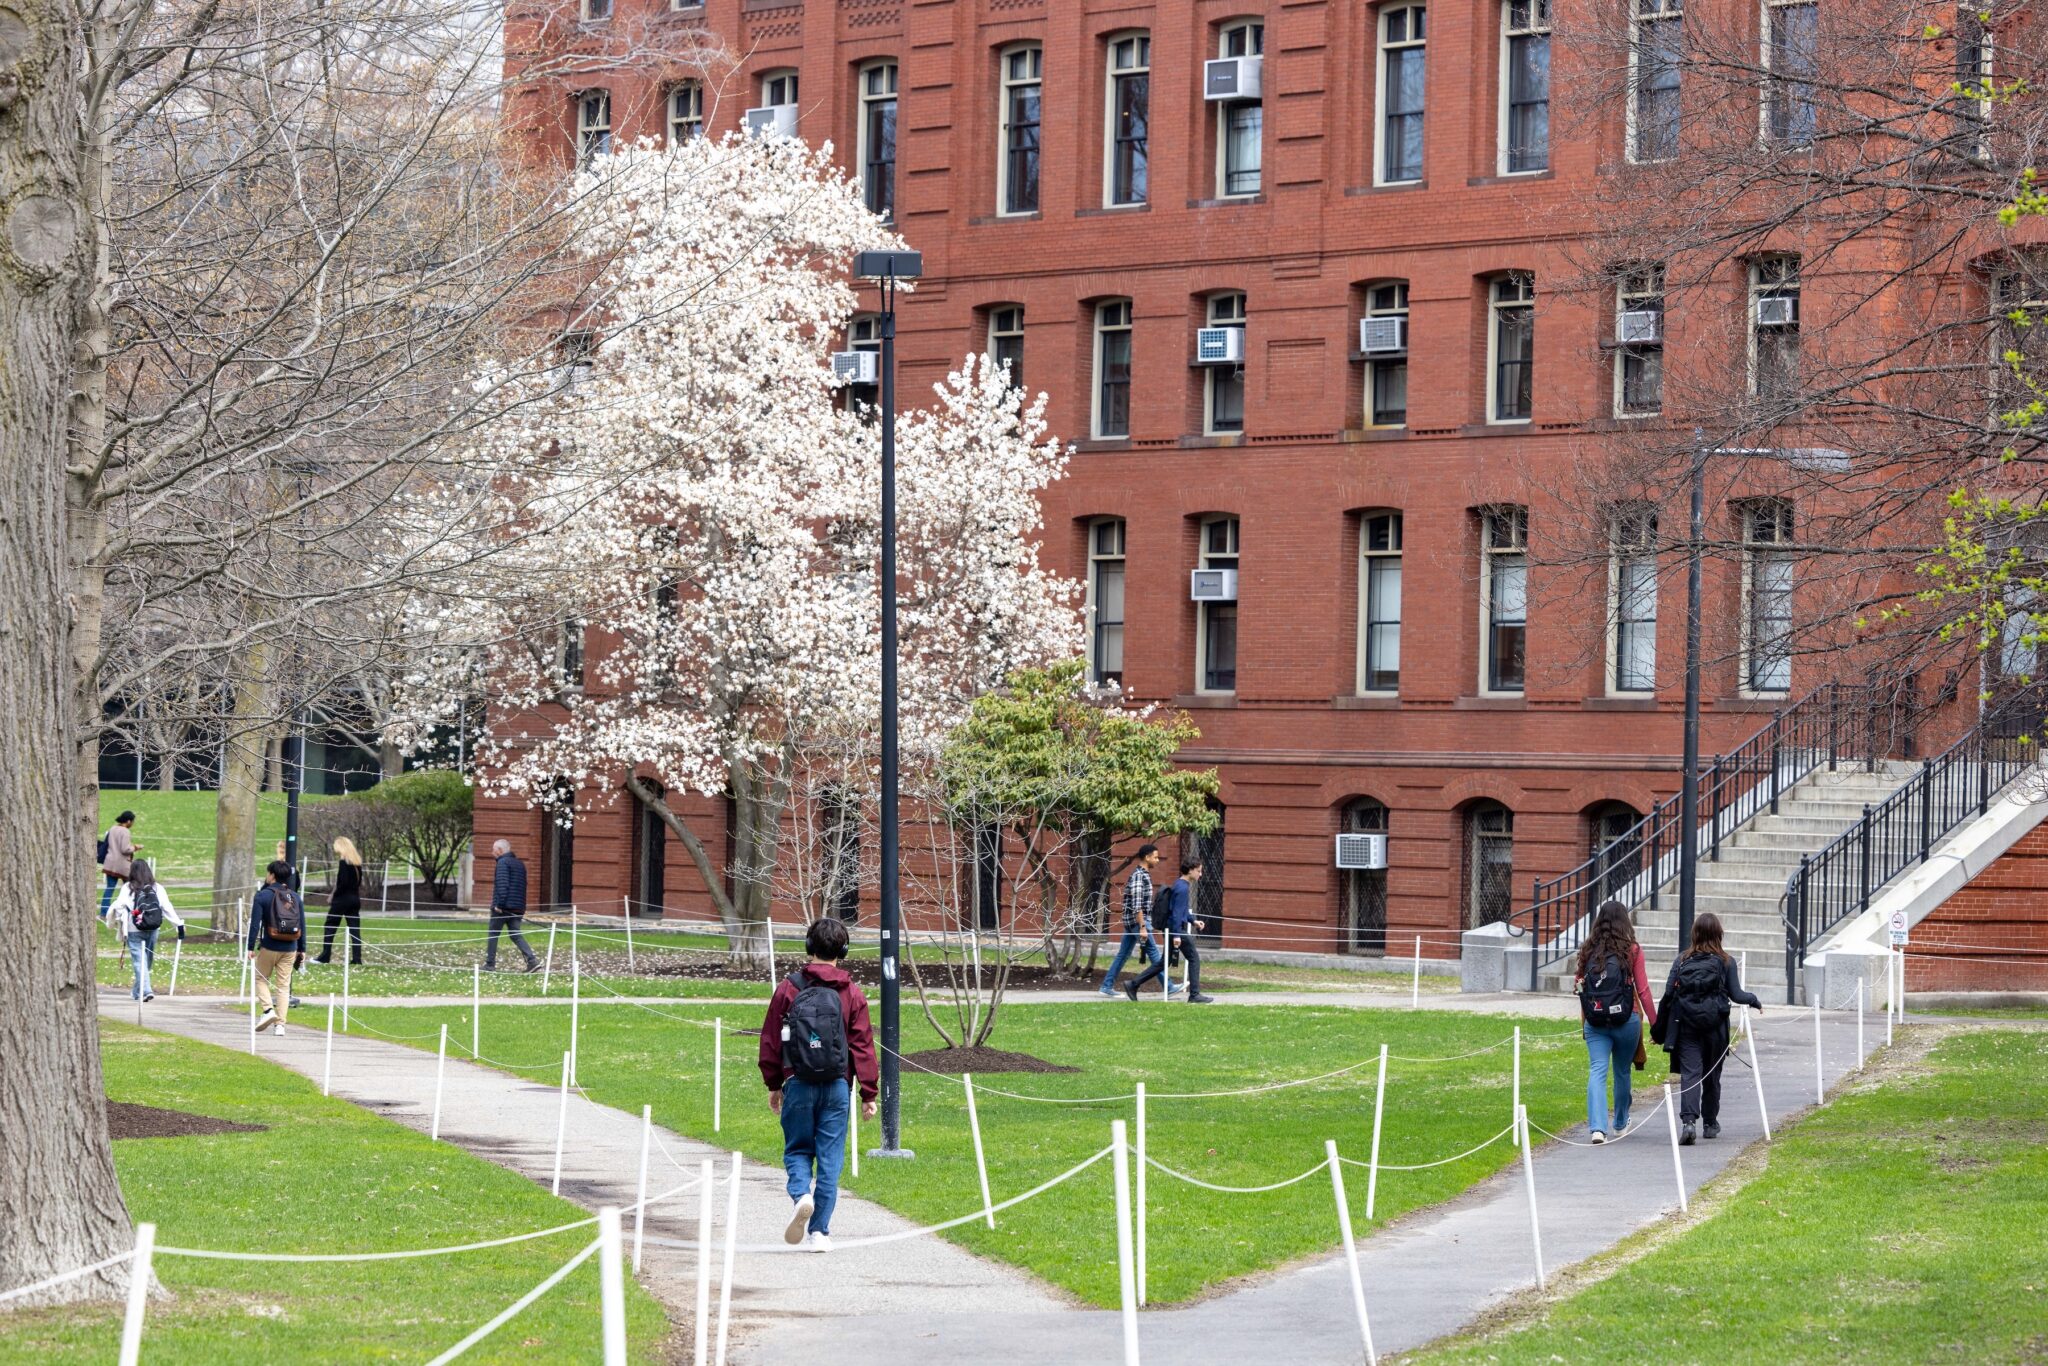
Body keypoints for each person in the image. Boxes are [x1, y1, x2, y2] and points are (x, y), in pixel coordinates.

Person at [758, 917, 878, 1252]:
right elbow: (862, 1046)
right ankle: (819, 1232)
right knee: (830, 1159)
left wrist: (773, 1083)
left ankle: (801, 1194)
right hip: (837, 1086)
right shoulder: (851, 994)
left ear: (809, 948)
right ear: (844, 951)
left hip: (797, 1082)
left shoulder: (788, 988)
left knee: (797, 1149)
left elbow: (770, 1040)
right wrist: (869, 1092)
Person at [1657, 912, 1764, 1145]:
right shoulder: (1726, 961)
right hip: (1715, 1028)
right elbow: (1737, 994)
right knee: (1712, 1076)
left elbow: (1667, 996)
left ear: (1694, 933)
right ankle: (1710, 1122)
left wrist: (1659, 1030)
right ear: (1719, 934)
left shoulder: (1682, 960)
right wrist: (1754, 1000)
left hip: (1687, 1027)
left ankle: (1688, 1122)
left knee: (1691, 1074)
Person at [1573, 899, 1657, 1144]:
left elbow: (1578, 985)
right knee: (1622, 1071)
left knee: (1597, 1071)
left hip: (1595, 1020)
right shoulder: (1632, 950)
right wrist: (1656, 1024)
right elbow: (1643, 991)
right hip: (1626, 1019)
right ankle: (1620, 1123)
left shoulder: (1588, 949)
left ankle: (1598, 1129)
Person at [1126, 858, 1214, 1003]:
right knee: (1193, 958)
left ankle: (1133, 984)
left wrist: (1193, 921)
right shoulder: (1182, 888)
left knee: (1163, 963)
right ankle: (1194, 995)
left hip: (1171, 928)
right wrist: (1177, 935)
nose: (1201, 874)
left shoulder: (1180, 884)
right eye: (1199, 871)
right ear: (1191, 870)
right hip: (1175, 929)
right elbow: (1176, 914)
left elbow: (1181, 910)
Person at [1099, 844, 1177, 997]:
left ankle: (1106, 986)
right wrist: (1142, 927)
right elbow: (1137, 905)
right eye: (1155, 857)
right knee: (1154, 954)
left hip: (1133, 922)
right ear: (1147, 857)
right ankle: (1168, 986)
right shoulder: (1139, 876)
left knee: (1123, 954)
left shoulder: (1143, 874)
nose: (1157, 860)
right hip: (1137, 922)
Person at [105, 860, 184, 1002]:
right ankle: (141, 991)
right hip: (153, 928)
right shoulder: (157, 888)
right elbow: (166, 907)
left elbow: (119, 905)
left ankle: (143, 991)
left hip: (133, 928)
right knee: (146, 961)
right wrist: (178, 924)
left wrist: (117, 920)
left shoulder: (127, 888)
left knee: (140, 961)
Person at [246, 860, 306, 1035]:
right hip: (291, 947)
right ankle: (280, 1025)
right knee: (283, 986)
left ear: (272, 875)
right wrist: (302, 949)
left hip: (270, 945)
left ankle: (268, 1010)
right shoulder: (295, 897)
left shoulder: (262, 896)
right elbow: (302, 924)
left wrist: (250, 946)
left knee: (260, 979)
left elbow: (255, 924)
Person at [485, 839, 539, 972]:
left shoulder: (503, 863)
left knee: (493, 934)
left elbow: (503, 885)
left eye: (494, 850)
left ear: (500, 850)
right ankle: (532, 961)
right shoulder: (520, 864)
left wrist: (499, 904)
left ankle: (490, 964)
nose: (492, 853)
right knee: (515, 934)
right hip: (518, 907)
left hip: (503, 908)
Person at [315, 836, 366, 966]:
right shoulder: (357, 863)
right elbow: (358, 882)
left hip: (342, 900)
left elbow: (342, 883)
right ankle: (357, 958)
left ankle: (325, 956)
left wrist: (334, 896)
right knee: (354, 929)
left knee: (330, 926)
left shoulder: (344, 862)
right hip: (355, 899)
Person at [99, 810, 141, 917]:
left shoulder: (112, 829)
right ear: (128, 821)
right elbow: (125, 849)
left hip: (110, 863)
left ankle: (104, 911)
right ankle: (132, 909)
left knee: (109, 888)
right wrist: (136, 847)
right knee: (131, 887)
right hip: (122, 866)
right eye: (132, 821)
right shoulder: (125, 831)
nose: (132, 824)